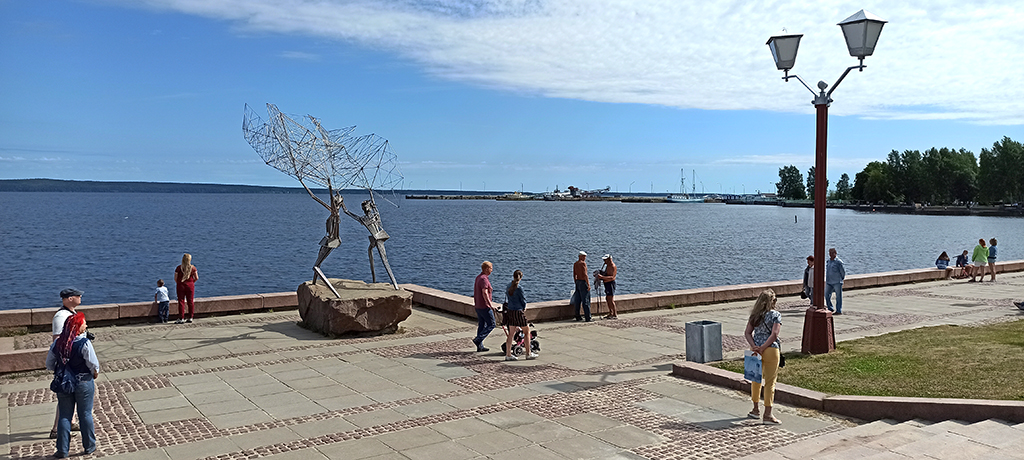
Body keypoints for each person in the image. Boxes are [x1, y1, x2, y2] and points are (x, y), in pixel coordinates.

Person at [46, 312, 99, 458]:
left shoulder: (57, 343)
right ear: (78, 326)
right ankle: (89, 446)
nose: (86, 325)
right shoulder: (84, 343)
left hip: (64, 382)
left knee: (64, 415)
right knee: (85, 414)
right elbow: (93, 364)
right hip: (83, 381)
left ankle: (62, 450)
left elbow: (49, 364)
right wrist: (95, 374)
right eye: (84, 323)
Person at [744, 289, 782, 425]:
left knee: (755, 380)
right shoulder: (775, 315)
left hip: (755, 351)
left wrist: (755, 346)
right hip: (771, 349)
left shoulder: (754, 316)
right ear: (772, 302)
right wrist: (764, 347)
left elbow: (747, 333)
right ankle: (768, 414)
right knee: (770, 382)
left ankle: (755, 409)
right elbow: (774, 335)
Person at [50, 288, 83, 440]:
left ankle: (72, 421)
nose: (80, 297)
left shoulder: (71, 314)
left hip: (75, 360)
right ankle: (56, 429)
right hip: (67, 362)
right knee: (65, 394)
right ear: (69, 298)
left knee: (73, 392)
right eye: (77, 295)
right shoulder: (61, 316)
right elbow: (58, 341)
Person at [503, 270, 537, 361]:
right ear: (521, 278)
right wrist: (523, 307)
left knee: (511, 334)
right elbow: (523, 300)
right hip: (518, 311)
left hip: (510, 311)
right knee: (527, 332)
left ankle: (508, 354)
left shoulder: (508, 286)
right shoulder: (519, 288)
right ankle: (528, 353)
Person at [472, 261, 496, 352]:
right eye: (491, 268)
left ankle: (480, 346)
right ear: (486, 269)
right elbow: (484, 293)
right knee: (492, 324)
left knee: (481, 325)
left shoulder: (479, 277)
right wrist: (490, 305)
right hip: (484, 306)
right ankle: (478, 340)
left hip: (478, 305)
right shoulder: (484, 279)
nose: (492, 270)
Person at [174, 253, 199, 323]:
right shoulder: (193, 268)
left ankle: (181, 318)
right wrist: (191, 282)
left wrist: (179, 283)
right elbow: (196, 277)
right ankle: (190, 317)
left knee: (181, 301)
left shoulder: (179, 268)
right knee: (190, 301)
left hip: (180, 285)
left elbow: (175, 278)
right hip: (190, 285)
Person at [570, 251, 592, 322]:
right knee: (586, 300)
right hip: (583, 282)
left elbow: (574, 275)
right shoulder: (583, 263)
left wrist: (575, 282)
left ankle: (577, 316)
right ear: (581, 256)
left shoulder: (575, 264)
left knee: (578, 300)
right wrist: (588, 284)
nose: (585, 258)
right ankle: (588, 317)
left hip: (578, 282)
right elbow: (585, 274)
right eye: (584, 256)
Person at [595, 254, 618, 319]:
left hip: (610, 284)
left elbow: (612, 277)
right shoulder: (607, 266)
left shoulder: (612, 266)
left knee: (610, 299)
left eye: (605, 260)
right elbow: (607, 274)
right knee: (607, 298)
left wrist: (602, 277)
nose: (604, 261)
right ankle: (611, 312)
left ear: (609, 259)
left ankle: (614, 314)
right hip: (607, 284)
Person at [824, 248, 846, 314]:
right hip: (829, 282)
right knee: (826, 295)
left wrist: (841, 279)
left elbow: (843, 272)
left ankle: (839, 310)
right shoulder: (828, 261)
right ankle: (830, 308)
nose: (830, 254)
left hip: (837, 282)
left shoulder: (839, 262)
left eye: (832, 253)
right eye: (830, 253)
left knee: (838, 296)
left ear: (835, 253)